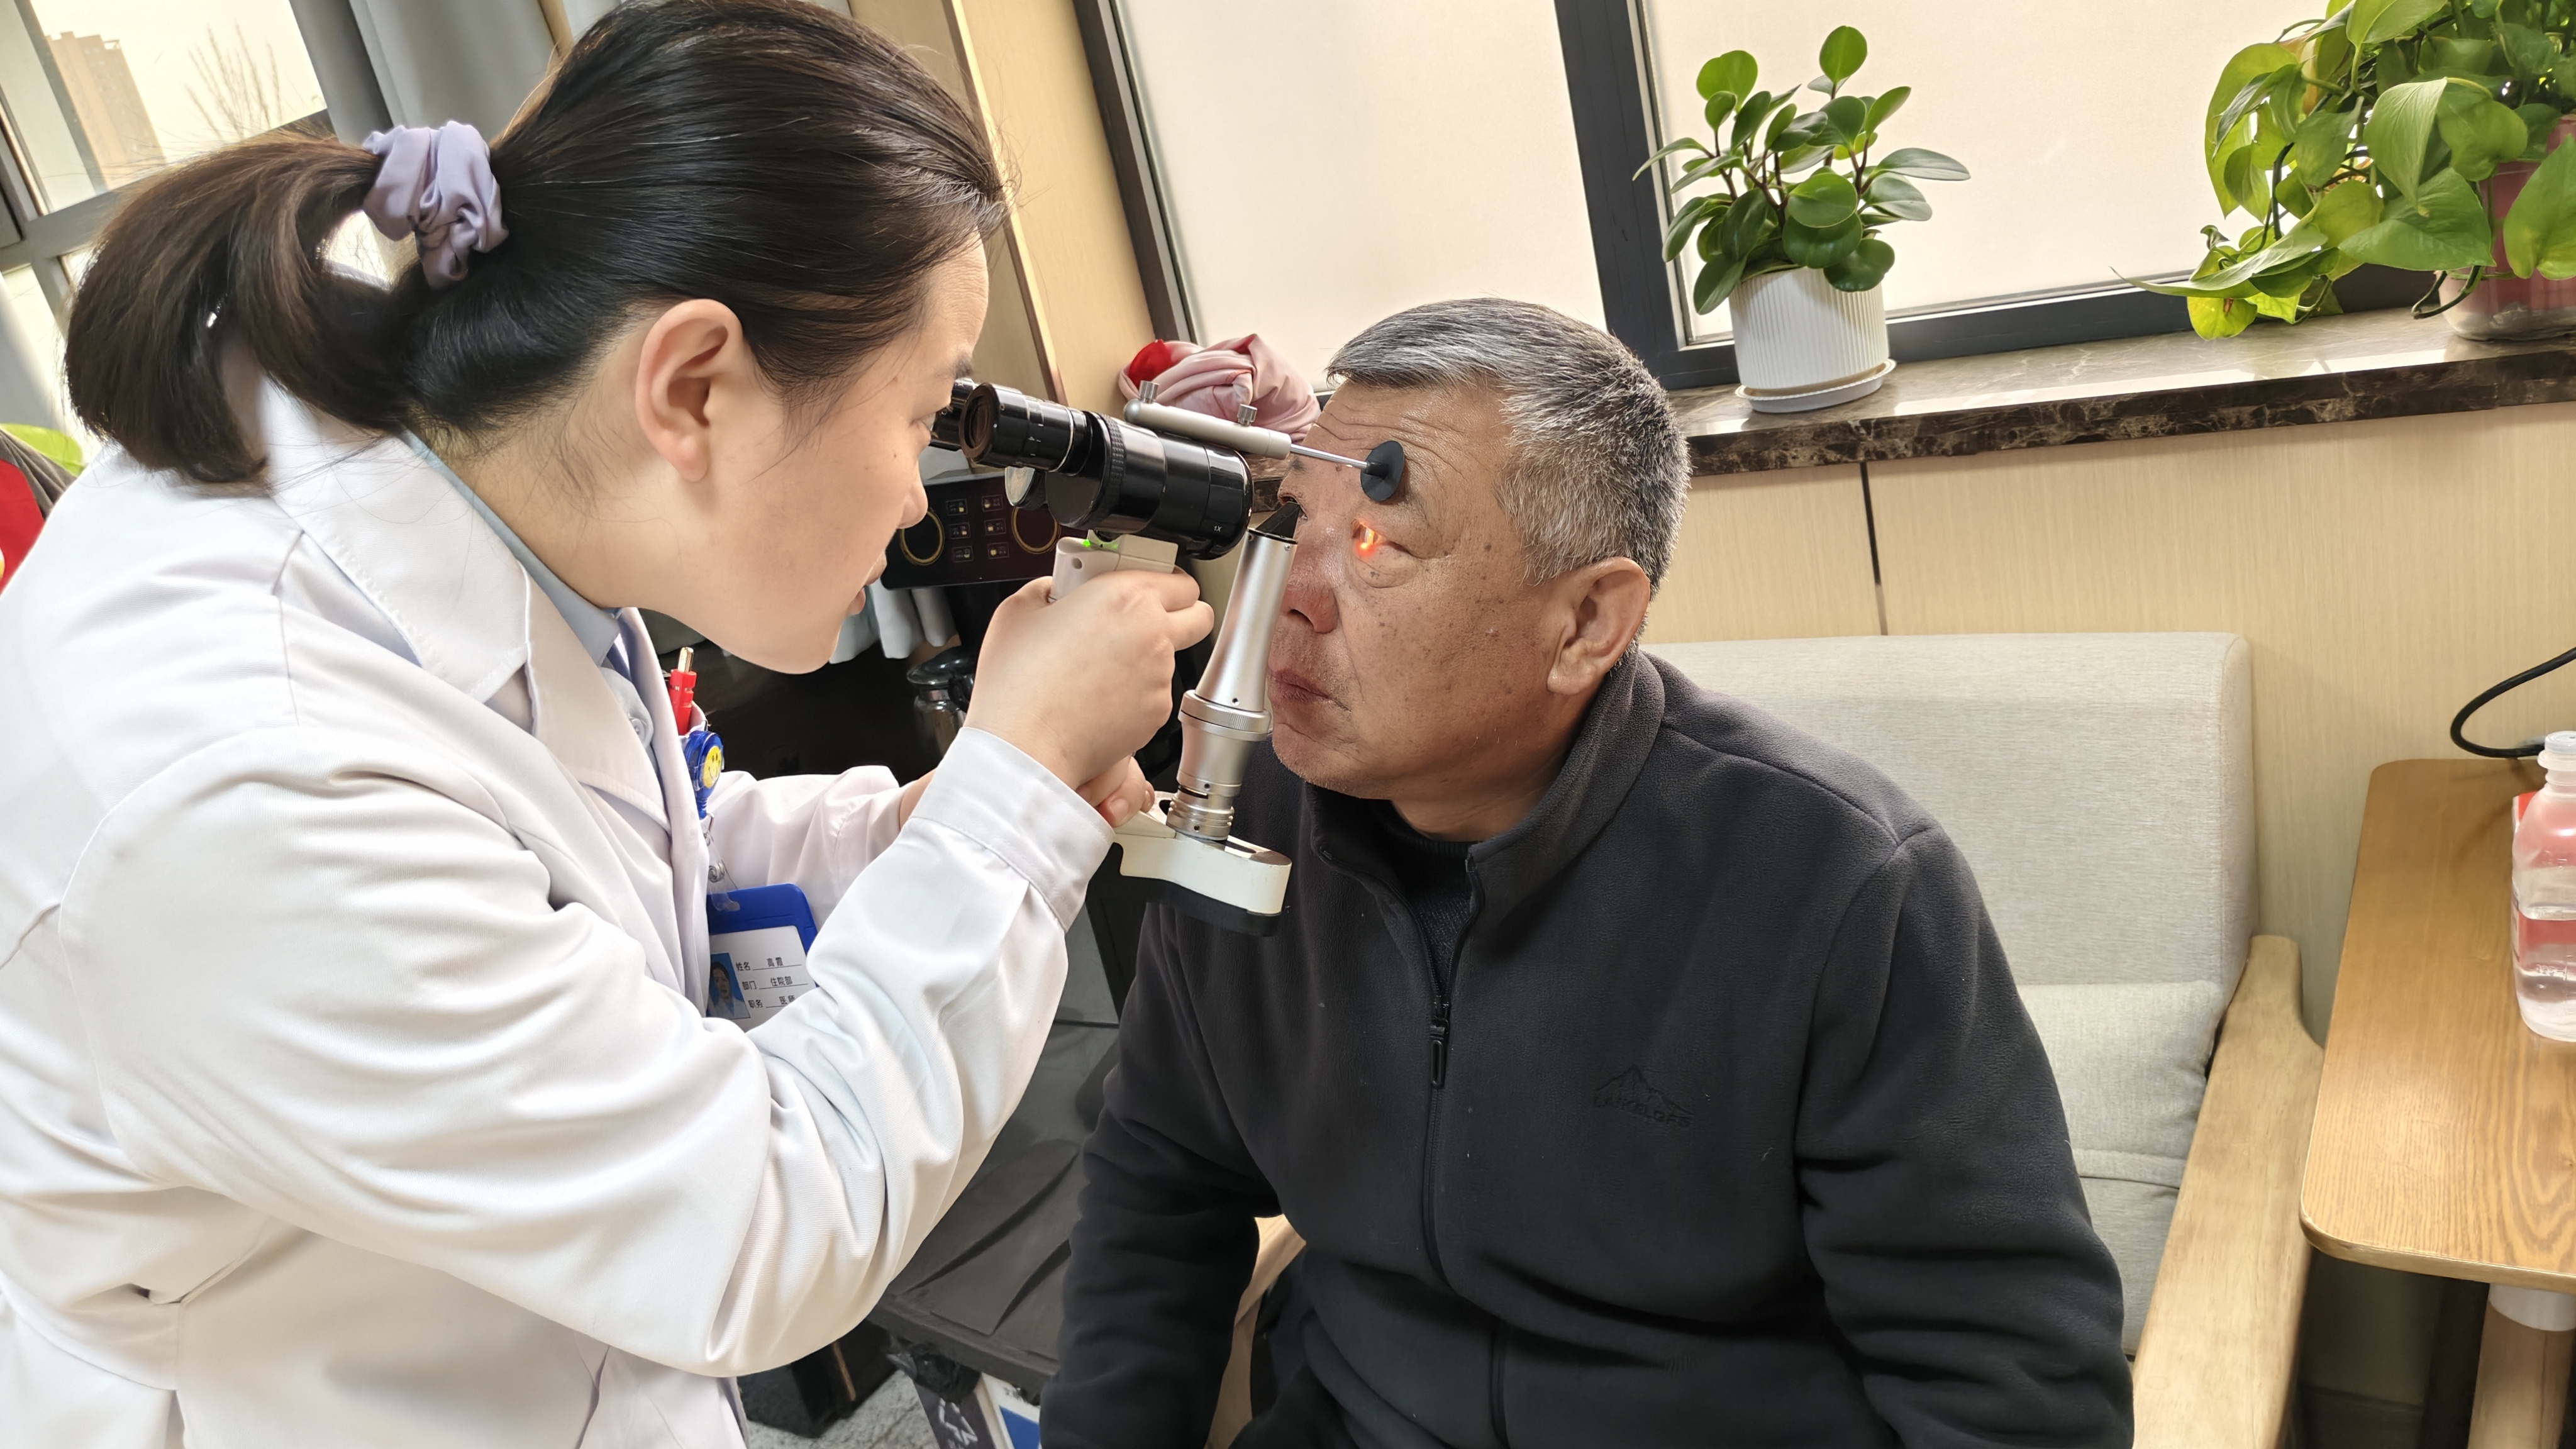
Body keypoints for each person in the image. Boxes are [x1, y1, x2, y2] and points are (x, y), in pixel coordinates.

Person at [0, 3, 1211, 1445]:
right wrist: (1006, 795)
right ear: (691, 387)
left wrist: (916, 827)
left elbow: (603, 846)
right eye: (916, 415)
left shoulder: (463, 492)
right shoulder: (241, 782)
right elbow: (759, 1227)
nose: (912, 498)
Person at [1046, 299, 2131, 1448]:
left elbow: (2005, 1381)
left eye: (1376, 545)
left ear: (1585, 624)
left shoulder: (1840, 886)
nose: (1288, 599)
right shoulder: (1242, 816)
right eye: (1290, 520)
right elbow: (1161, 1184)